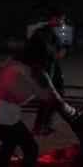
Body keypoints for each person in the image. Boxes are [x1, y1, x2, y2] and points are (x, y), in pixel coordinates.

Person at [0, 27, 78, 167]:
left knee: (9, 145)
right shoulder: (38, 73)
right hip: (2, 113)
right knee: (30, 148)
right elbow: (55, 99)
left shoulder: (15, 60)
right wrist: (75, 114)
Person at [32, 8, 70, 136]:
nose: (63, 22)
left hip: (53, 68)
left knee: (58, 95)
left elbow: (58, 50)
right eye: (61, 19)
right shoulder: (42, 33)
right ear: (54, 19)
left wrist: (62, 51)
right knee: (48, 98)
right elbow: (47, 51)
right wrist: (58, 53)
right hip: (44, 68)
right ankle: (40, 126)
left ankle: (44, 125)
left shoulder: (53, 32)